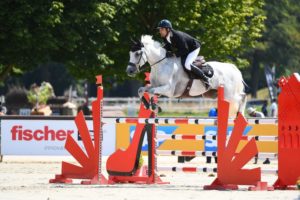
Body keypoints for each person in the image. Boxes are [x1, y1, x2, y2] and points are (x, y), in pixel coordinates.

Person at [157, 19, 210, 86]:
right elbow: (168, 47)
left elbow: (185, 50)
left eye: (161, 29)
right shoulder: (165, 37)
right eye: (159, 29)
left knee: (187, 64)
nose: (160, 31)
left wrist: (173, 54)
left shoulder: (177, 36)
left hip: (193, 48)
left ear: (168, 29)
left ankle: (205, 78)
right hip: (184, 49)